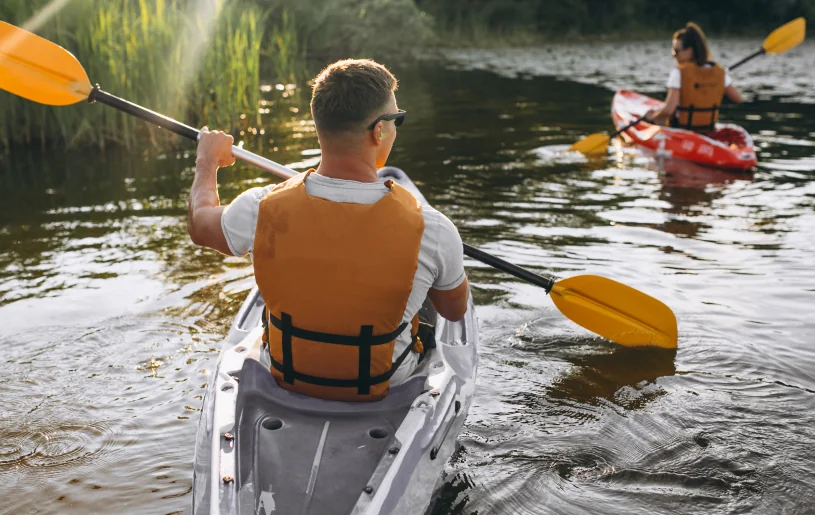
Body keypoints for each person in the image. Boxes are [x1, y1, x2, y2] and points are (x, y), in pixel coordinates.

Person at [186, 59, 469, 402]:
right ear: (379, 130)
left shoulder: (261, 207)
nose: (396, 127)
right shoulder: (433, 228)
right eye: (397, 119)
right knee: (428, 295)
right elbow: (454, 312)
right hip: (386, 386)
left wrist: (207, 163)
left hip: (287, 378)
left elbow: (200, 224)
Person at [645, 22, 742, 131]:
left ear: (690, 51)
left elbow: (668, 110)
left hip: (682, 130)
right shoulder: (719, 72)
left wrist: (652, 117)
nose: (674, 55)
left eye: (676, 51)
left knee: (657, 119)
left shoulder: (679, 72)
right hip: (708, 129)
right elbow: (737, 98)